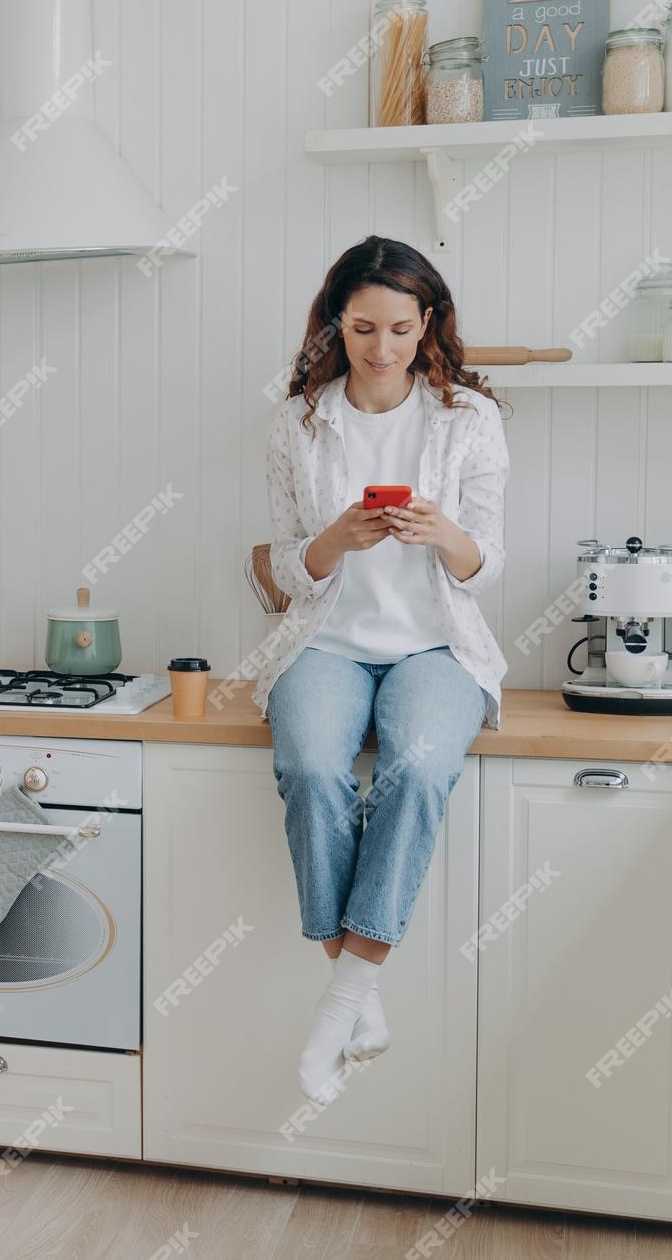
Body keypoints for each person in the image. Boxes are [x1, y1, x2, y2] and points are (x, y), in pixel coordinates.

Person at [254, 236, 509, 1106]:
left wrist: (443, 536)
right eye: (364, 328)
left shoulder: (469, 420)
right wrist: (333, 543)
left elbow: (488, 563)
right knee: (312, 766)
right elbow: (287, 568)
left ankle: (344, 1000)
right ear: (338, 323)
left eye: (401, 327)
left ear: (426, 322)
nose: (383, 347)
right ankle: (356, 991)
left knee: (417, 765)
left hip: (436, 646)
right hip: (324, 645)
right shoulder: (298, 422)